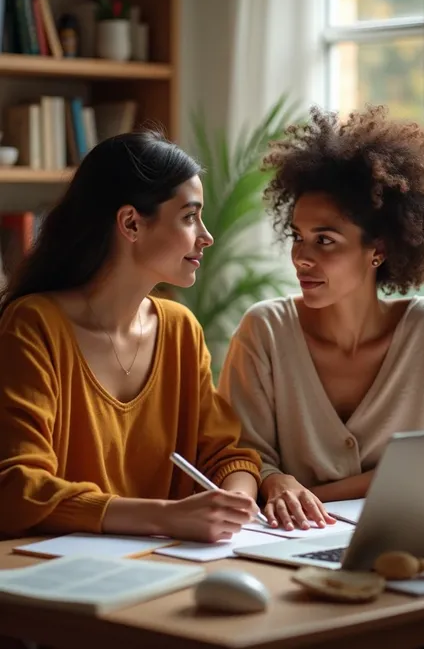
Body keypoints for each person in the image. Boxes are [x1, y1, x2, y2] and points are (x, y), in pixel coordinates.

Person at [218, 105, 424, 532]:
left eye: (326, 240)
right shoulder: (264, 330)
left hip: (405, 538)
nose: (301, 257)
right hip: (283, 544)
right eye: (298, 237)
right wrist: (274, 480)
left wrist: (305, 496)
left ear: (379, 249)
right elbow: (241, 455)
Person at [0, 129, 261, 542]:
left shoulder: (180, 330)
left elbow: (226, 454)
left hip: (161, 565)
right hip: (52, 572)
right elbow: (19, 486)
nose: (206, 236)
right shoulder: (34, 325)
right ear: (131, 223)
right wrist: (164, 517)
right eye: (190, 217)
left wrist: (235, 501)